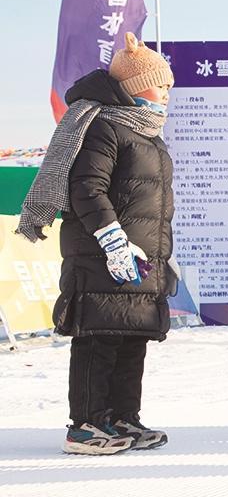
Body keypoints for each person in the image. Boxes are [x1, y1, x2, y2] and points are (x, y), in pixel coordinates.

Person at [17, 33, 176, 454]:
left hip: (143, 259)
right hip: (102, 255)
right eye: (159, 84)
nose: (166, 92)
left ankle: (122, 418)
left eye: (168, 85)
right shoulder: (104, 126)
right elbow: (87, 188)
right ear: (134, 86)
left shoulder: (148, 135)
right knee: (99, 339)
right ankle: (86, 425)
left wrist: (160, 253)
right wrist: (113, 240)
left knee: (131, 340)